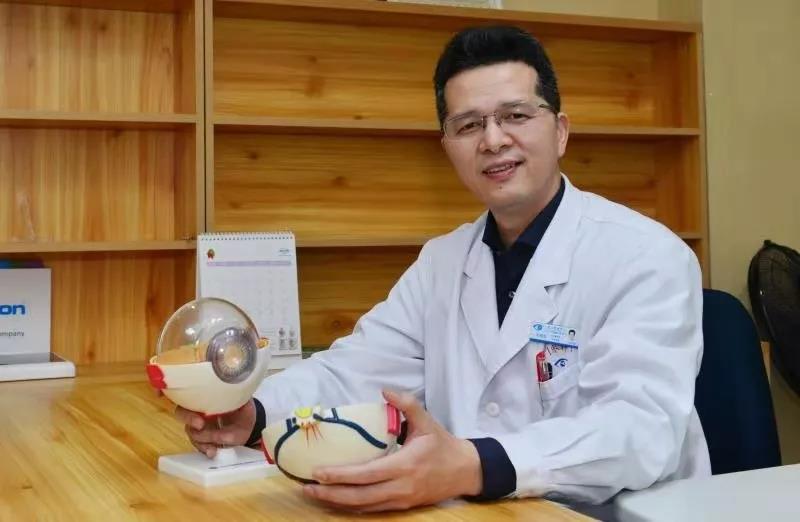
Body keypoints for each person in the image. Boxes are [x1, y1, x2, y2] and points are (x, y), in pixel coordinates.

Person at [176, 25, 710, 512]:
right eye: (469, 125)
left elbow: (638, 429)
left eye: (516, 116)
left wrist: (474, 464)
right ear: (448, 147)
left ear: (561, 131)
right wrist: (254, 414)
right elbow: (357, 370)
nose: (493, 140)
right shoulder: (442, 262)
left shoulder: (646, 256)